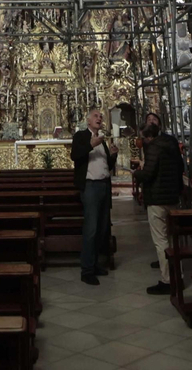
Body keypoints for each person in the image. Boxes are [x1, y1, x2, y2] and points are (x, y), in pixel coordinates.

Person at [136, 111, 185, 294]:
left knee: (161, 240)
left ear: (148, 136)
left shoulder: (154, 147)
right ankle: (177, 274)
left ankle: (169, 280)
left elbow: (148, 173)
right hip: (172, 195)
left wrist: (137, 174)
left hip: (157, 198)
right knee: (172, 238)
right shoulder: (171, 142)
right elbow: (179, 167)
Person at [71, 109, 117, 284]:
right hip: (90, 186)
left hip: (104, 185)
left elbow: (106, 164)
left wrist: (113, 155)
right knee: (91, 229)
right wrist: (91, 144)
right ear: (88, 120)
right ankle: (87, 270)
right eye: (96, 116)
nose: (100, 118)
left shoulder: (102, 139)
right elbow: (75, 156)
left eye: (101, 116)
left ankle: (96, 263)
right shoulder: (81, 136)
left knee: (102, 228)